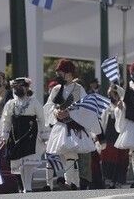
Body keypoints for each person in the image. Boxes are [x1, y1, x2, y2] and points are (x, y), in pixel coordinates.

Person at [44, 59, 100, 190]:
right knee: (64, 155)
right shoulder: (56, 89)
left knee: (70, 153)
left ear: (69, 74)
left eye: (60, 72)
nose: (58, 75)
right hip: (60, 127)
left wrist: (69, 114)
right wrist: (55, 112)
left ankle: (68, 183)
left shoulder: (78, 89)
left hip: (74, 127)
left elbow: (86, 108)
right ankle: (76, 184)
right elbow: (48, 106)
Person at [0, 77, 47, 193]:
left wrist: (44, 135)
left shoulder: (34, 102)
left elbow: (41, 118)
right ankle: (25, 187)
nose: (17, 89)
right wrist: (4, 137)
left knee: (28, 161)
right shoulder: (11, 104)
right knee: (20, 162)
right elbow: (6, 120)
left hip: (30, 133)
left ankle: (28, 187)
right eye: (15, 87)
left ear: (26, 88)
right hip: (16, 134)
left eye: (20, 87)